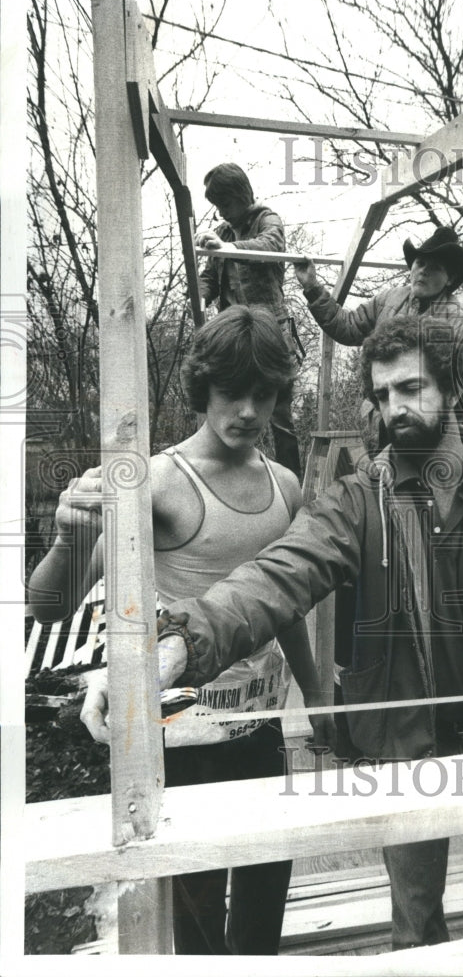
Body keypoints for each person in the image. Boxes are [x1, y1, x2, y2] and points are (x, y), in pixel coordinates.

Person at [82, 314, 463, 950]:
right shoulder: (359, 498)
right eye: (384, 395)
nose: (396, 409)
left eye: (411, 389)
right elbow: (277, 577)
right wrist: (173, 646)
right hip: (405, 746)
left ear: (452, 389)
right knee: (416, 924)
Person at [28, 306, 335, 956]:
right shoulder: (160, 482)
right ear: (203, 389)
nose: (248, 410)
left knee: (258, 929)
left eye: (264, 393)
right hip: (182, 745)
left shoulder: (284, 487)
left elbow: (284, 608)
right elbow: (49, 606)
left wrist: (319, 695)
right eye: (231, 392)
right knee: (198, 940)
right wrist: (66, 540)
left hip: (260, 738)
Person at [295, 224, 463, 449]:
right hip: (385, 421)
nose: (423, 271)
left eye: (434, 267)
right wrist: (312, 287)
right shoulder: (389, 299)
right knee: (383, 478)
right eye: (420, 263)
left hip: (432, 431)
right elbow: (347, 327)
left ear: (449, 279)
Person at [196, 162, 303, 479]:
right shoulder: (222, 232)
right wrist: (200, 300)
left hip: (270, 330)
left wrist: (228, 248)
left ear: (242, 195)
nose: (223, 213)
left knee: (279, 415)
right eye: (217, 208)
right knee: (229, 407)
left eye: (225, 204)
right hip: (233, 334)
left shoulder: (266, 219)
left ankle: (290, 484)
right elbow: (209, 279)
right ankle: (229, 478)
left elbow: (272, 246)